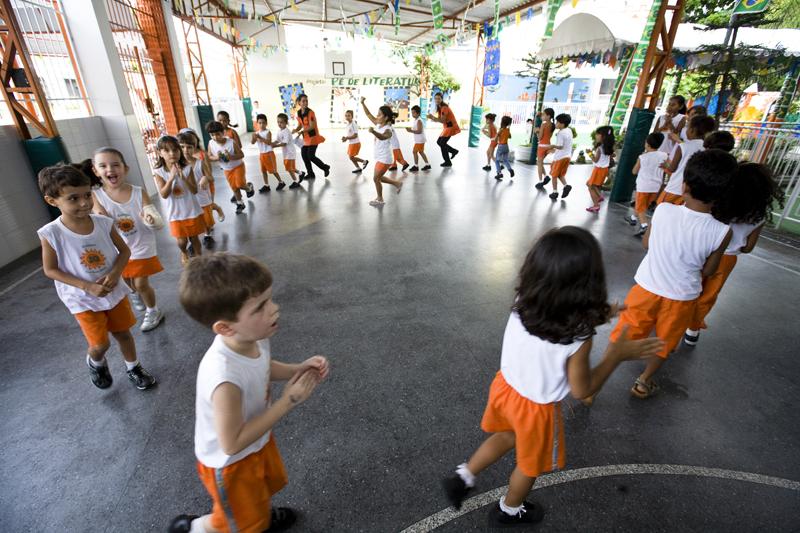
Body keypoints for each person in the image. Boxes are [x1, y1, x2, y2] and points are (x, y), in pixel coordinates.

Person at [441, 227, 663, 526]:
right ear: (590, 284)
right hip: (536, 410)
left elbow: (559, 306)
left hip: (506, 390)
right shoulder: (578, 338)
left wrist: (602, 314)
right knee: (529, 467)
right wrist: (615, 355)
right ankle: (510, 509)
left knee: (506, 435)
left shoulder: (523, 302)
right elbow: (583, 390)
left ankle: (464, 476)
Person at [169, 253, 329, 533]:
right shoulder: (224, 378)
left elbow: (262, 365)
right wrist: (288, 401)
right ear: (225, 327)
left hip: (256, 441)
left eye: (270, 299)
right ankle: (196, 528)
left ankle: (258, 513)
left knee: (261, 490)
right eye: (260, 307)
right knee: (238, 523)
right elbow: (231, 443)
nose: (275, 309)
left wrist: (297, 368)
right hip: (231, 464)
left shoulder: (253, 338)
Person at [609, 150, 736, 398]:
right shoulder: (723, 231)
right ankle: (643, 381)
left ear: (685, 186)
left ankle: (597, 380)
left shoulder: (664, 210)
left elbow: (646, 243)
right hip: (682, 297)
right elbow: (709, 270)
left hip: (646, 289)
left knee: (625, 333)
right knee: (663, 342)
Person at [36, 164, 157, 391]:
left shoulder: (103, 223)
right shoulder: (51, 233)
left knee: (123, 333)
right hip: (82, 299)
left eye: (87, 195)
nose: (84, 203)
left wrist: (115, 273)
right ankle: (96, 361)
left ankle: (134, 368)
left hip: (113, 292)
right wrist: (87, 286)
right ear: (52, 201)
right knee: (100, 343)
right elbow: (50, 270)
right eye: (73, 198)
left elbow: (125, 251)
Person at [685, 162, 784, 346]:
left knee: (688, 284)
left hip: (704, 250)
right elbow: (748, 248)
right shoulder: (758, 216)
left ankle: (675, 316)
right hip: (727, 260)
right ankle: (692, 328)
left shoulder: (718, 205)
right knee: (709, 294)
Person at [88, 147, 165, 332]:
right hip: (118, 250)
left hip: (142, 246)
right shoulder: (95, 195)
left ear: (125, 168)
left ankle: (153, 311)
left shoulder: (139, 192)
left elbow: (154, 217)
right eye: (103, 166)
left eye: (115, 165)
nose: (110, 169)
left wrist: (151, 219)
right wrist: (99, 216)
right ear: (95, 171)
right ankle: (134, 293)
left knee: (141, 283)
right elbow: (99, 217)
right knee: (128, 281)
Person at [153, 135, 206, 265]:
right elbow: (164, 194)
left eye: (175, 150)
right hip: (175, 214)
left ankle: (200, 261)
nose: (172, 153)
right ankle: (183, 251)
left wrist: (184, 178)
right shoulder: (159, 172)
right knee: (182, 241)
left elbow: (194, 190)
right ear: (159, 153)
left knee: (194, 238)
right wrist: (171, 178)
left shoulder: (187, 168)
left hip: (191, 211)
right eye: (167, 150)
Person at [178, 131, 224, 246]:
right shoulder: (177, 165)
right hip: (187, 200)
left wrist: (205, 178)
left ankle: (207, 235)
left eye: (189, 147)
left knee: (206, 221)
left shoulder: (200, 163)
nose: (185, 150)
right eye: (182, 147)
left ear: (194, 148)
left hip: (202, 197)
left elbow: (210, 177)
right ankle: (192, 240)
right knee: (191, 221)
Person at [658, 115, 716, 205]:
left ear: (693, 130)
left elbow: (672, 169)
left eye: (687, 127)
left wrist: (666, 165)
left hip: (675, 187)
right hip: (691, 191)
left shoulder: (683, 146)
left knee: (662, 208)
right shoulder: (707, 149)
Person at [361, 97, 403, 206]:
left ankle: (380, 199)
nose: (377, 116)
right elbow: (368, 114)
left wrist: (374, 132)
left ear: (386, 117)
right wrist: (362, 103)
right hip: (380, 157)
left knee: (376, 179)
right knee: (378, 178)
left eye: (379, 114)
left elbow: (383, 137)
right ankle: (397, 183)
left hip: (385, 159)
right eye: (378, 114)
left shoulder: (388, 129)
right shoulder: (379, 124)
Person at [207, 120, 254, 214]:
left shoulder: (231, 142)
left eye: (217, 134)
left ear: (223, 132)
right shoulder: (211, 143)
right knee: (234, 188)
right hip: (227, 169)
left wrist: (231, 157)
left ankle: (249, 188)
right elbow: (209, 156)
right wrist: (216, 158)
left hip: (238, 166)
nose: (215, 137)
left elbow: (241, 155)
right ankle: (240, 203)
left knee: (240, 184)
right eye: (212, 135)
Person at [626, 133, 668, 236]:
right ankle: (633, 218)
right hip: (656, 187)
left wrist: (639, 161)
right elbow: (669, 166)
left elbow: (634, 171)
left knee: (640, 207)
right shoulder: (664, 155)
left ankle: (644, 225)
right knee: (643, 205)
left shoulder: (642, 157)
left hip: (643, 186)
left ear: (647, 144)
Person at [293, 93, 331, 179]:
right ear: (299, 103)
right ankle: (310, 174)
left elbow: (312, 126)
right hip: (306, 139)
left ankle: (325, 167)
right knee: (304, 155)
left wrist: (302, 131)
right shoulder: (299, 113)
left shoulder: (311, 112)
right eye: (303, 101)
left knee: (311, 156)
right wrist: (295, 130)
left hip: (313, 137)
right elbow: (300, 125)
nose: (305, 103)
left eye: (306, 101)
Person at [252, 113, 287, 193]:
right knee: (263, 171)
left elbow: (268, 142)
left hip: (269, 153)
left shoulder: (268, 132)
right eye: (260, 123)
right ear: (257, 123)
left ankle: (281, 182)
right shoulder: (257, 133)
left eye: (263, 123)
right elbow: (252, 142)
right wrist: (253, 137)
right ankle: (266, 185)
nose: (261, 125)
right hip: (262, 154)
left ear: (266, 123)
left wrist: (260, 137)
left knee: (273, 170)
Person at [272, 113, 304, 189]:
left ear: (286, 123)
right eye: (278, 122)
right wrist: (271, 143)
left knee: (289, 168)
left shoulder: (286, 131)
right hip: (286, 153)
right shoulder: (279, 131)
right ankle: (301, 173)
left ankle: (296, 181)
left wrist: (275, 146)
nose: (279, 124)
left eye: (281, 122)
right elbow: (277, 140)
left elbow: (284, 143)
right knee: (291, 167)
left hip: (290, 153)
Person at [427, 92, 460, 167]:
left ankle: (448, 161)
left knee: (442, 143)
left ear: (442, 99)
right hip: (447, 127)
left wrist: (432, 117)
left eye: (439, 98)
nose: (437, 100)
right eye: (436, 98)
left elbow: (442, 120)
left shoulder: (444, 108)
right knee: (439, 142)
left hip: (450, 127)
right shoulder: (440, 107)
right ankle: (454, 151)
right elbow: (440, 120)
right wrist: (432, 118)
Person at [545, 114, 574, 200]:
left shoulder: (561, 133)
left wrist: (552, 146)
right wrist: (554, 149)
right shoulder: (569, 130)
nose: (556, 124)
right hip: (567, 156)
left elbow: (560, 146)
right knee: (560, 174)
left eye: (557, 122)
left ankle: (555, 192)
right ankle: (566, 186)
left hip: (560, 158)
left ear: (562, 123)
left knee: (554, 175)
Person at [586, 126, 614, 212]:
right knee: (593, 185)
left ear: (603, 136)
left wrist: (589, 153)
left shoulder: (600, 148)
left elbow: (595, 160)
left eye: (598, 134)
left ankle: (596, 204)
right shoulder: (608, 147)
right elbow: (613, 155)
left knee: (590, 186)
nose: (596, 136)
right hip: (604, 169)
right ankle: (599, 197)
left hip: (598, 169)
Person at [342, 109, 368, 173]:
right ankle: (358, 168)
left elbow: (355, 135)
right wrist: (345, 138)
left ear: (352, 116)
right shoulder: (348, 124)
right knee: (351, 157)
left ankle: (364, 161)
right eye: (346, 115)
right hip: (351, 143)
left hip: (355, 143)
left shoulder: (353, 124)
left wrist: (347, 138)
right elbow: (350, 134)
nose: (347, 117)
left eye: (349, 116)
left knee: (351, 157)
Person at [406, 105, 430, 172]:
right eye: (412, 112)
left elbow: (419, 131)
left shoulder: (419, 120)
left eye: (414, 113)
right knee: (421, 152)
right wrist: (411, 129)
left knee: (414, 152)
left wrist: (410, 131)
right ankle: (427, 164)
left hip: (420, 140)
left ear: (418, 113)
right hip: (419, 140)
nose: (412, 114)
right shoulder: (416, 120)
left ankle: (416, 166)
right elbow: (416, 129)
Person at [535, 108, 555, 188]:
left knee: (539, 164)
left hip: (542, 146)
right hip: (548, 145)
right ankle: (546, 176)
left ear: (548, 116)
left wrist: (537, 131)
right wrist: (539, 115)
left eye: (544, 115)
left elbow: (540, 138)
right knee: (540, 162)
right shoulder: (552, 125)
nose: (542, 116)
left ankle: (540, 181)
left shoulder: (543, 125)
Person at [494, 116, 514, 181]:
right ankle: (510, 169)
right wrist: (508, 130)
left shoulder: (501, 130)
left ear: (502, 122)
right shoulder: (507, 130)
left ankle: (499, 173)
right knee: (505, 160)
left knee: (497, 160)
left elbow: (496, 138)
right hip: (506, 146)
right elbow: (510, 137)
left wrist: (495, 139)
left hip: (501, 146)